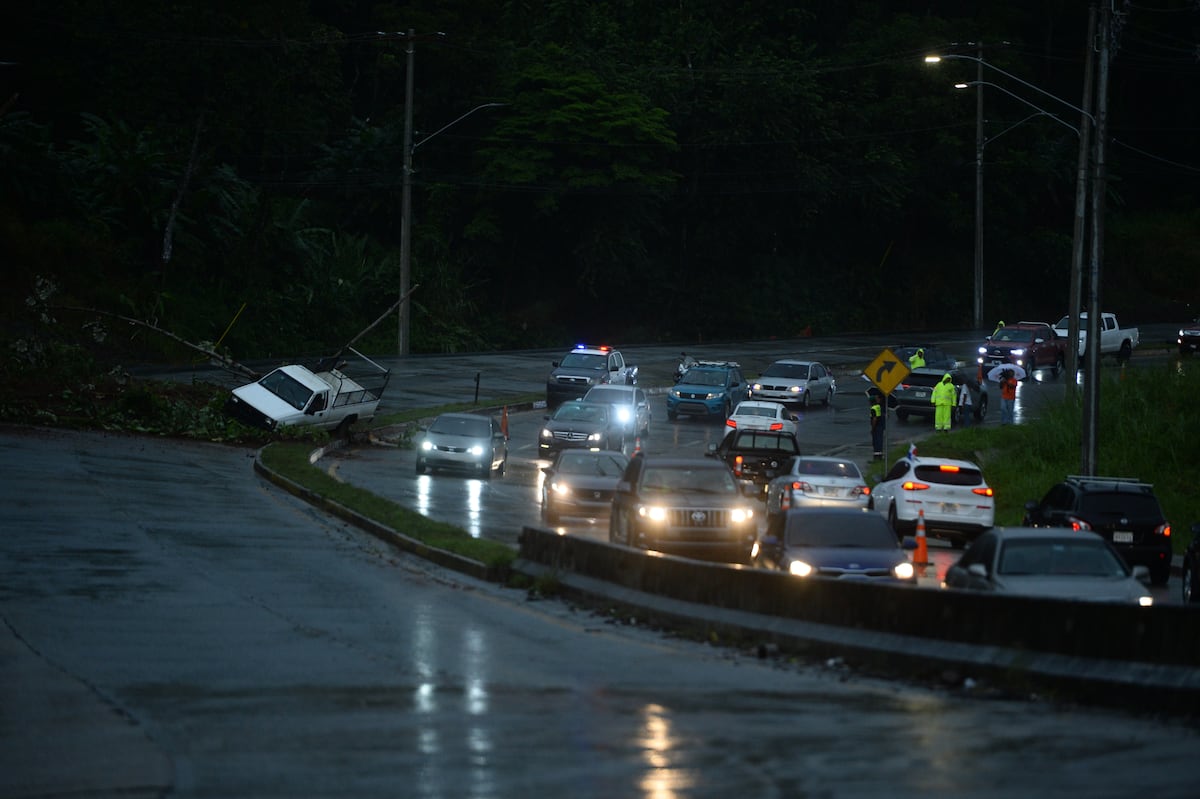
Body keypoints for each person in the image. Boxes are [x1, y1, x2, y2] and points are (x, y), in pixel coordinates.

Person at [869, 391, 885, 460]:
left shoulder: (874, 408)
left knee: (876, 442)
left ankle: (876, 457)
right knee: (880, 441)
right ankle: (879, 456)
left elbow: (874, 419)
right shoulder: (880, 406)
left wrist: (872, 428)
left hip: (877, 427)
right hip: (881, 426)